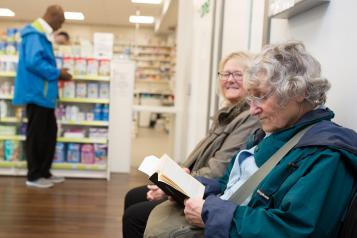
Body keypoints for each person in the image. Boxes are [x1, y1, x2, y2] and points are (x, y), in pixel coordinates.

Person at [144, 41, 357, 238]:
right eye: (251, 97)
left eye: (261, 96)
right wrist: (189, 186)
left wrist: (211, 214)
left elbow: (295, 231)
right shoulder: (274, 133)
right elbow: (230, 185)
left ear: (298, 92)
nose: (253, 110)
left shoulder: (327, 156)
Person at [122, 52, 261, 238]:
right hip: (194, 185)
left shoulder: (249, 118)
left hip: (207, 194)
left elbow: (218, 169)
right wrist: (172, 181)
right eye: (225, 74)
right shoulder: (227, 113)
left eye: (237, 74)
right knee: (133, 197)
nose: (230, 80)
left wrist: (174, 186)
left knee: (134, 215)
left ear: (251, 80)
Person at [13, 5, 72, 188]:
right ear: (53, 17)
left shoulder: (41, 35)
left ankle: (44, 172)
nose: (60, 25)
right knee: (37, 136)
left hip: (44, 95)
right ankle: (33, 176)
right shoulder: (34, 34)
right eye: (60, 21)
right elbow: (34, 62)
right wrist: (57, 73)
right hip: (36, 94)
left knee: (48, 134)